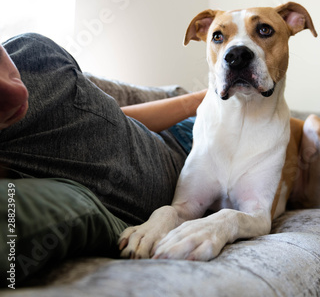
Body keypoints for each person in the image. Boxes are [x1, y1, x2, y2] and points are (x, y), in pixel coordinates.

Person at [0, 33, 206, 287]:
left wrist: (205, 100)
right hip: (174, 145)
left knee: (33, 55)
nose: (15, 91)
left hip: (178, 141)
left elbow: (118, 120)